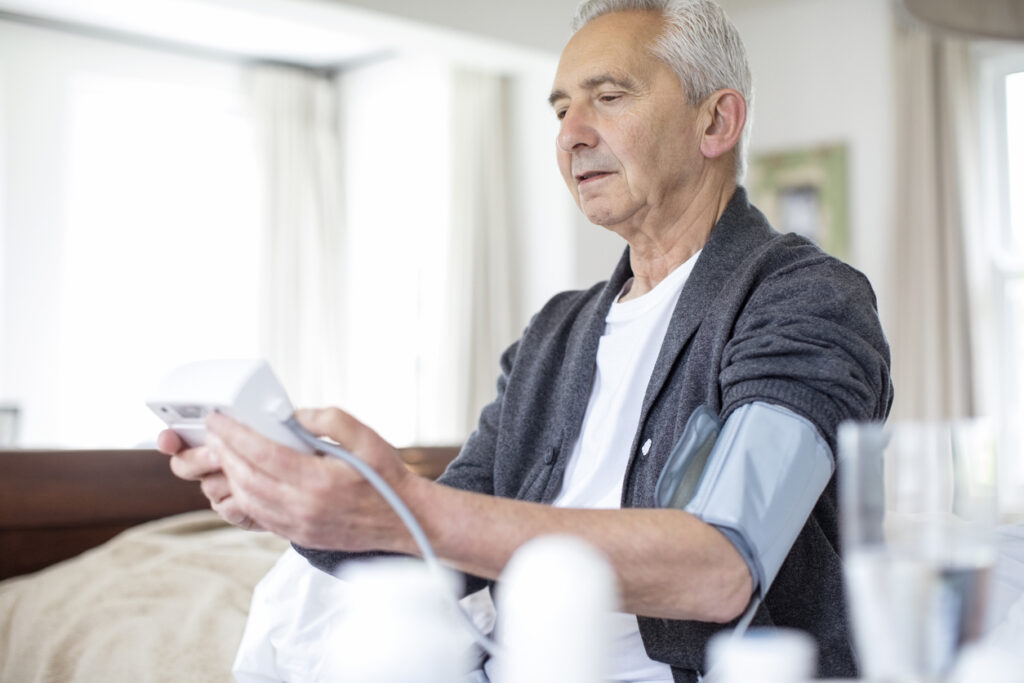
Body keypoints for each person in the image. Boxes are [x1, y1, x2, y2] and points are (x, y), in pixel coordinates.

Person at [159, 1, 893, 680]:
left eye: (609, 97)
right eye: (561, 109)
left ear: (715, 123)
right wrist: (305, 508)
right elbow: (443, 553)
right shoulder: (554, 334)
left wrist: (404, 507)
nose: (572, 134)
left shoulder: (804, 296)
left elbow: (722, 564)